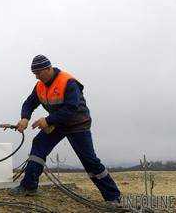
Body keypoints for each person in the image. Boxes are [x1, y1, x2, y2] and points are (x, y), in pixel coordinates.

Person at [9, 54, 121, 203]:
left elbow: (71, 108)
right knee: (39, 144)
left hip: (78, 124)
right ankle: (29, 186)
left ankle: (114, 197)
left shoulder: (68, 82)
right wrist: (25, 118)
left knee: (90, 161)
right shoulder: (40, 86)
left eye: (39, 73)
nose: (36, 77)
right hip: (58, 123)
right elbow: (29, 103)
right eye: (34, 74)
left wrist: (48, 120)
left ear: (48, 69)